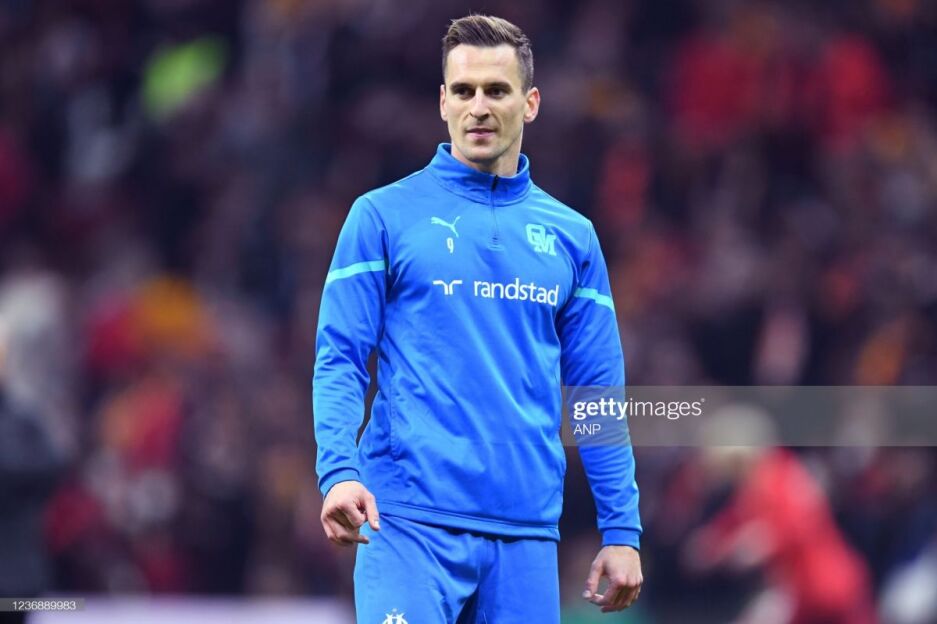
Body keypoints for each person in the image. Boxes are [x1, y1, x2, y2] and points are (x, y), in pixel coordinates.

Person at [313, 14, 642, 623]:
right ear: (443, 102)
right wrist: (338, 472)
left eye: (497, 90)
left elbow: (596, 395)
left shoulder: (573, 238)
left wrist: (621, 529)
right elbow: (340, 358)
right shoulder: (381, 216)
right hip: (406, 522)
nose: (479, 107)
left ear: (531, 103)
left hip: (524, 535)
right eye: (464, 91)